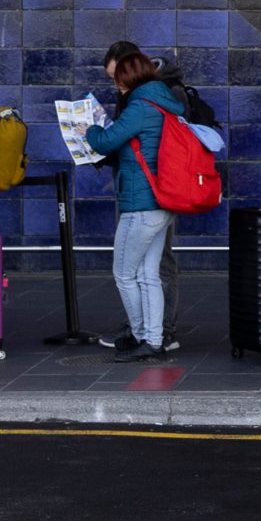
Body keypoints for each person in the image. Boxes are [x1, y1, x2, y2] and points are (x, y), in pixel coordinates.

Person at [83, 42, 187, 364]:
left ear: (127, 79)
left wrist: (88, 127)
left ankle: (142, 334)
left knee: (124, 274)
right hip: (160, 201)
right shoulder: (161, 101)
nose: (116, 86)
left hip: (141, 203)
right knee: (147, 274)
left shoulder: (140, 106)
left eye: (118, 80)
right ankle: (153, 341)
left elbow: (105, 140)